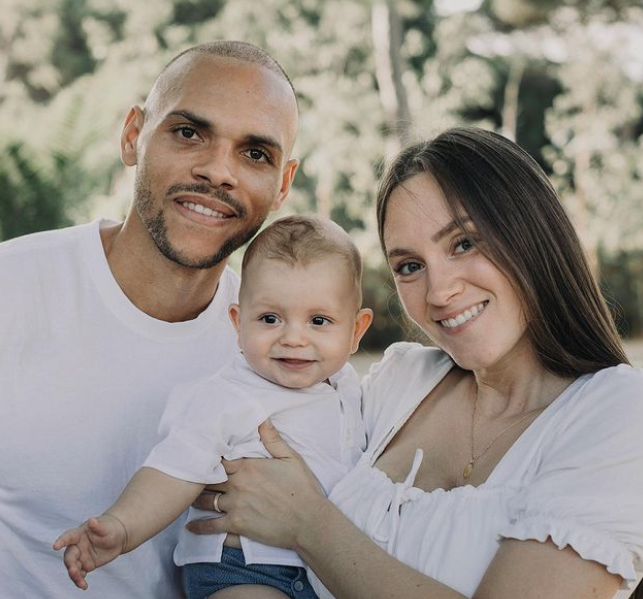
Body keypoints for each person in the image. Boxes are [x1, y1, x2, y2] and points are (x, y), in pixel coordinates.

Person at [188, 127, 643, 599]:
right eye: (409, 266)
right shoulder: (398, 380)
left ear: (530, 233)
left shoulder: (618, 413)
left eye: (464, 243)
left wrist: (309, 524)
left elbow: (298, 509)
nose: (439, 292)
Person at [0, 40, 299, 598]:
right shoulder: (12, 289)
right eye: (189, 133)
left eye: (255, 154)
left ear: (283, 184)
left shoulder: (281, 358)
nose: (217, 171)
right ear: (133, 135)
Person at [54, 215, 373, 599]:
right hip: (244, 569)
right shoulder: (228, 396)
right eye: (270, 319)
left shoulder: (350, 390)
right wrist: (122, 526)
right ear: (238, 324)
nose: (293, 338)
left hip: (328, 570)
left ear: (356, 331)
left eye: (319, 321)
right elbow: (172, 472)